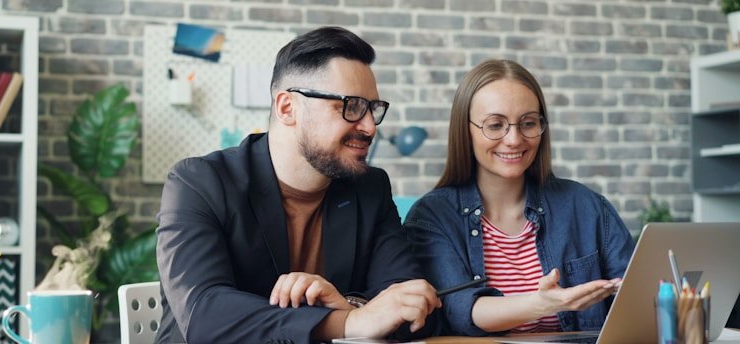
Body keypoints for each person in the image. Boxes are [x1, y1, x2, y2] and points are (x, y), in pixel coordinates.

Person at [155, 26, 441, 343]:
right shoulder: (199, 183)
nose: (370, 126)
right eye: (351, 106)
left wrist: (351, 307)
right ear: (287, 108)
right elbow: (205, 316)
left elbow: (413, 305)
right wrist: (348, 322)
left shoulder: (369, 187)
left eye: (372, 109)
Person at [403, 59, 634, 336]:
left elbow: (639, 297)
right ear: (466, 131)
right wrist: (541, 304)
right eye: (495, 125)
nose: (514, 139)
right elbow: (460, 309)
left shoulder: (587, 206)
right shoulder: (432, 217)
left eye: (527, 123)